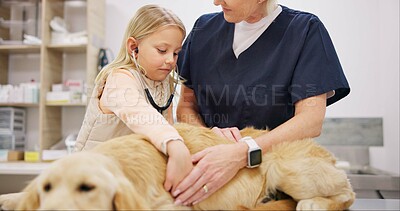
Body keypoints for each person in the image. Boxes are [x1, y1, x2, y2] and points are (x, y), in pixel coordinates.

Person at [173, 0, 350, 206]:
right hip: (211, 166)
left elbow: (311, 120)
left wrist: (244, 152)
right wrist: (209, 138)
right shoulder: (204, 29)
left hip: (275, 172)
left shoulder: (304, 30)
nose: (216, 2)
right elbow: (186, 106)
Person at [74, 4, 192, 192]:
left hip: (122, 178)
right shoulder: (119, 78)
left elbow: (168, 127)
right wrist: (174, 145)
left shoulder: (164, 84)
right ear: (134, 47)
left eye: (176, 52)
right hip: (86, 176)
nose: (171, 59)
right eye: (162, 50)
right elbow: (140, 114)